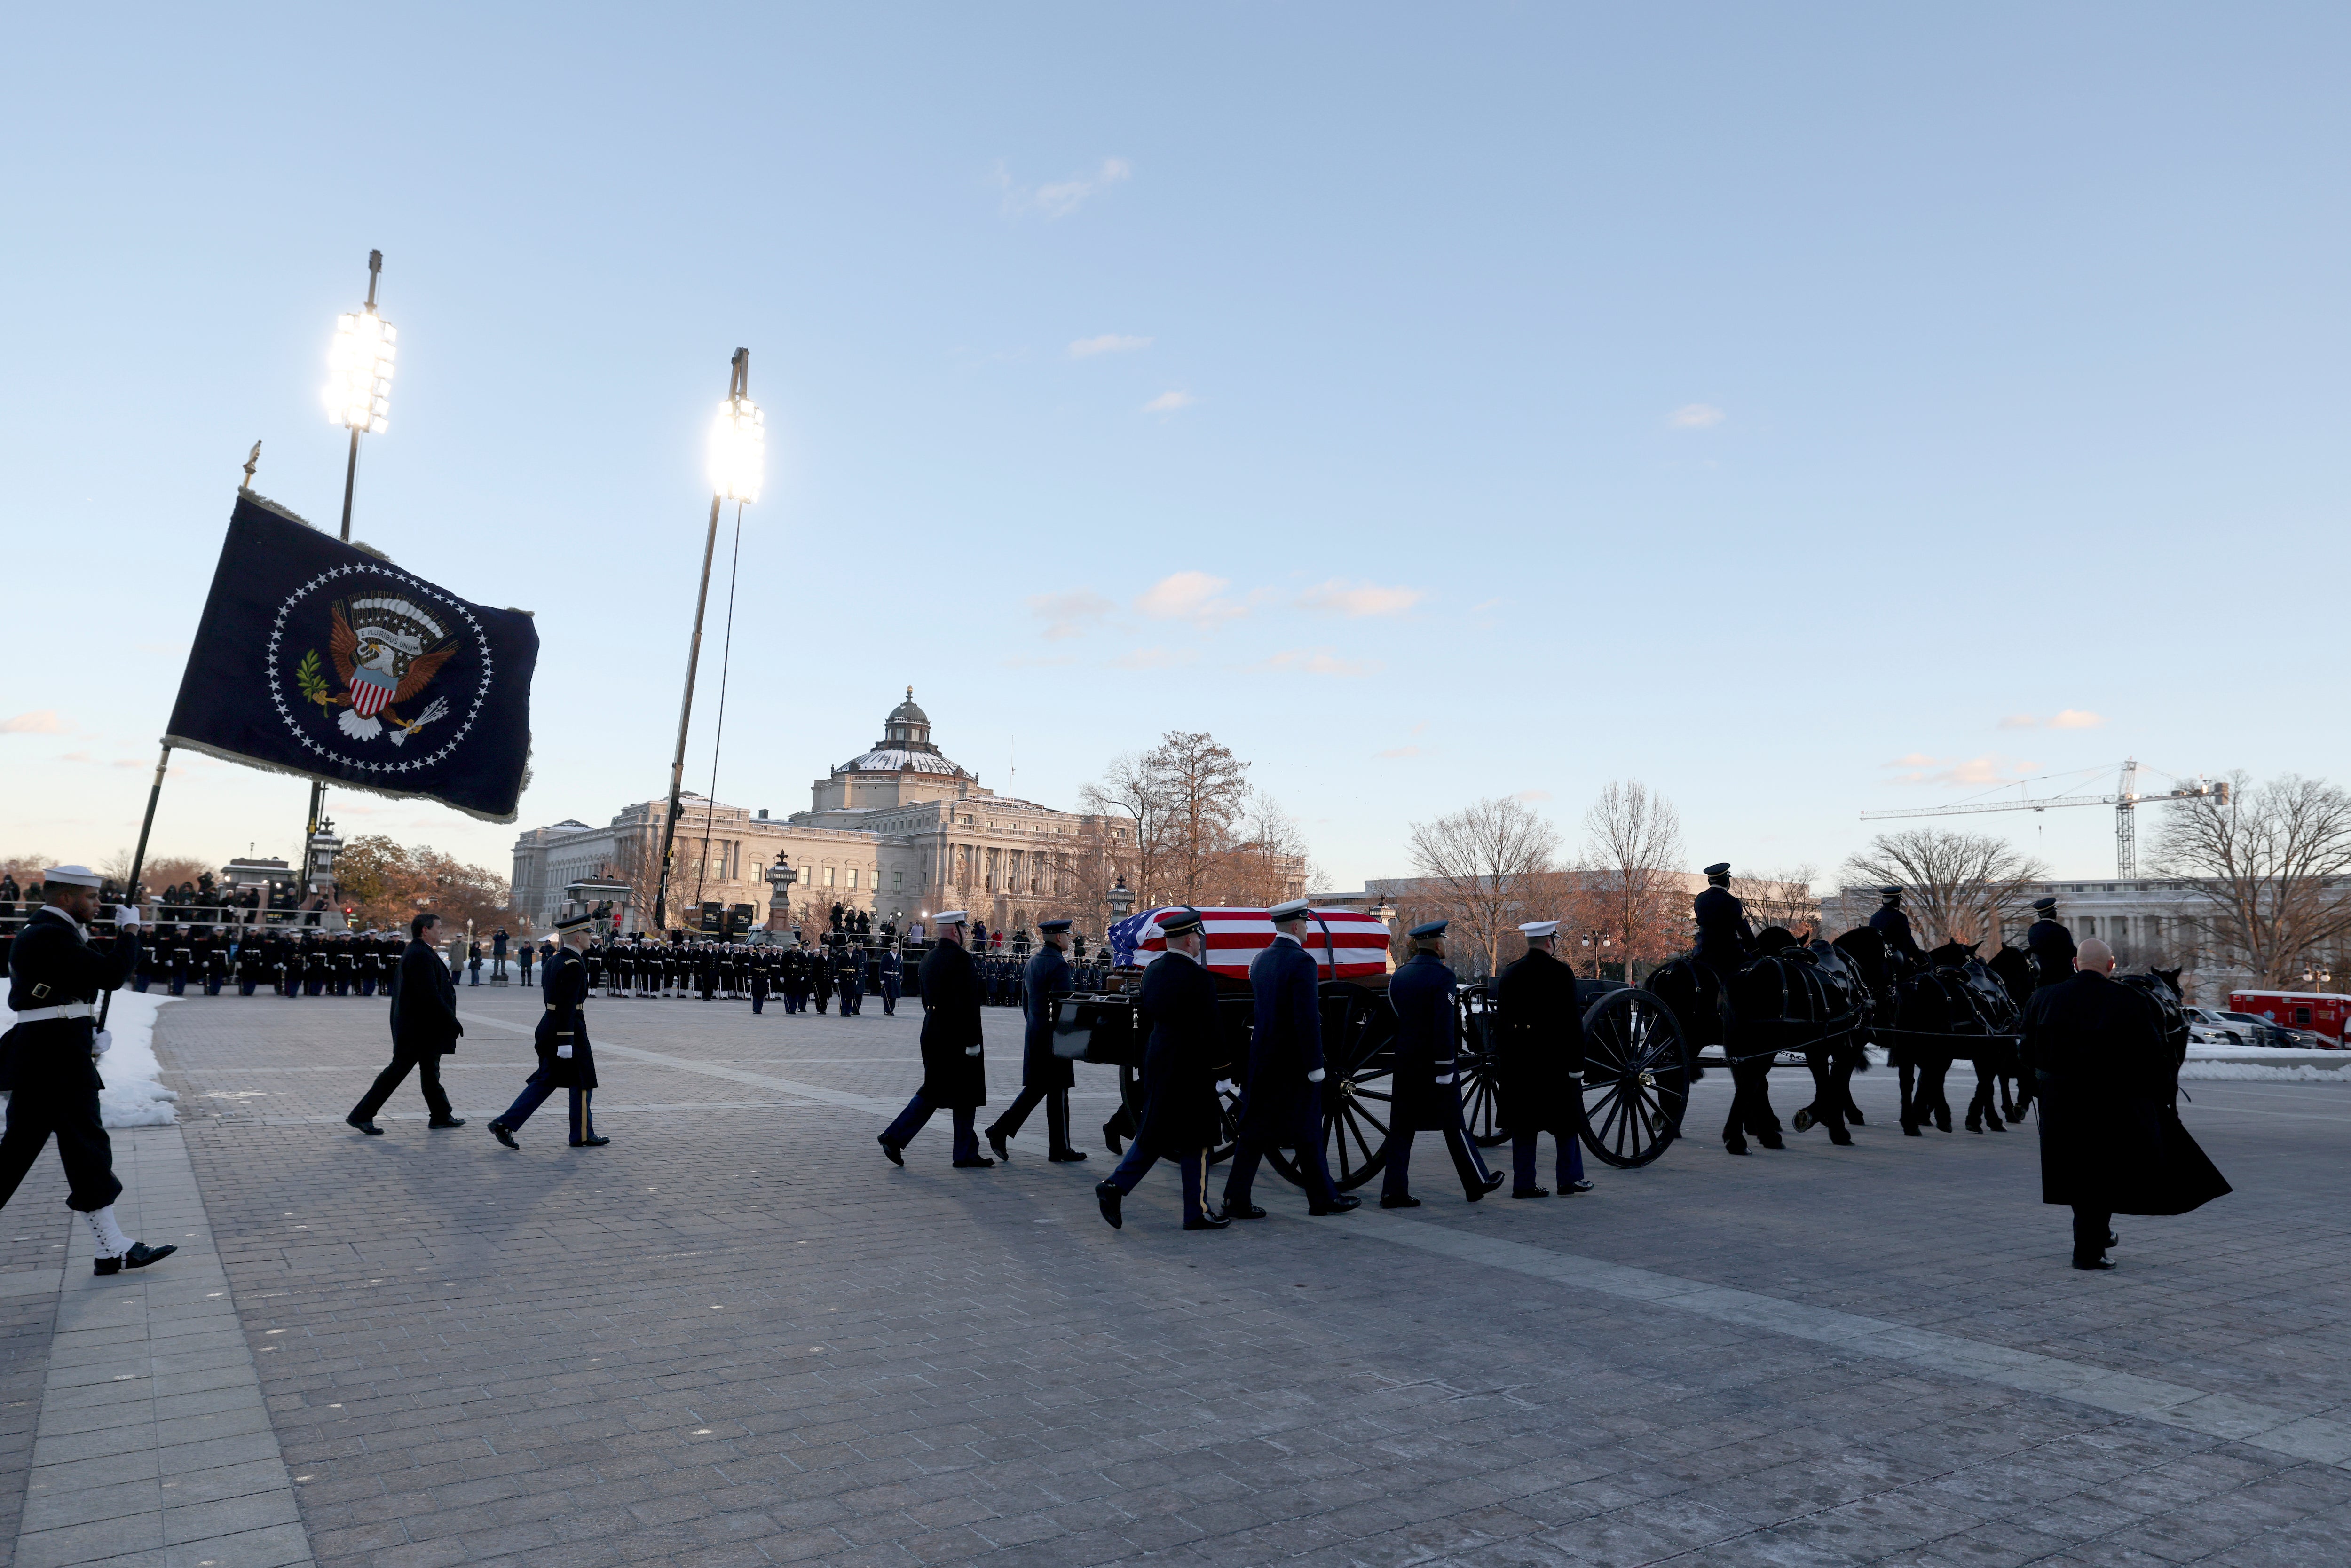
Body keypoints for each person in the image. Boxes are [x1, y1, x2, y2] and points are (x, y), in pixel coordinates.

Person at [0, 867, 176, 1275]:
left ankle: (112, 1248)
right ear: (66, 899)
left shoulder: (53, 931)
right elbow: (112, 974)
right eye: (92, 898)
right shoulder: (48, 933)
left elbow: (75, 984)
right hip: (53, 1059)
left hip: (53, 1052)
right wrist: (130, 932)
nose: (99, 905)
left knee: (62, 1150)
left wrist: (84, 1026)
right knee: (83, 1148)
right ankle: (113, 1248)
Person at [2025, 938, 2230, 1270]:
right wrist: (2159, 1100)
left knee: (2080, 1174)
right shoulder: (2131, 1000)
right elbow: (2154, 1056)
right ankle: (2088, 1252)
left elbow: (2025, 1052)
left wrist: (2044, 1088)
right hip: (2111, 1102)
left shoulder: (2042, 998)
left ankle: (2095, 1236)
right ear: (2111, 965)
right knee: (2100, 1174)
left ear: (2076, 964)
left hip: (2059, 1104)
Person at [1096, 910, 1229, 1230]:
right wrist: (1223, 1070)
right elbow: (1212, 1030)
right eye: (1197, 937)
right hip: (1191, 1066)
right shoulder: (1199, 978)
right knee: (1197, 1140)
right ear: (1188, 939)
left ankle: (1115, 1186)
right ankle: (1195, 1212)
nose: (1200, 942)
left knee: (1154, 1133)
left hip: (1160, 1059)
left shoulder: (1152, 971)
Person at [1223, 899, 1355, 1218]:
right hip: (1294, 1064)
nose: (1308, 928)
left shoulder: (1261, 960)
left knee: (1254, 1131)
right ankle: (1322, 1198)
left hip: (1263, 1058)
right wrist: (1315, 1066)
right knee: (1309, 1129)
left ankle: (1236, 1197)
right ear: (1296, 926)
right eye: (1306, 923)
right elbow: (1306, 1019)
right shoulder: (1302, 962)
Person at [1380, 921, 1504, 1208]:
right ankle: (1477, 1181)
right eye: (1444, 940)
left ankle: (1393, 1191)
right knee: (1454, 1124)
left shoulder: (1400, 976)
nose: (1446, 944)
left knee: (1401, 1129)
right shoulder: (1442, 976)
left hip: (1407, 1061)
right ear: (1437, 944)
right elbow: (1443, 1026)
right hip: (1435, 1065)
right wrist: (1447, 1067)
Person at [879, 911, 991, 1167]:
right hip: (958, 1036)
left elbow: (925, 1000)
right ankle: (895, 1136)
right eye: (964, 928)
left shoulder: (928, 957)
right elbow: (970, 1004)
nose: (967, 933)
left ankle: (964, 1152)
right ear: (955, 930)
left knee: (945, 1090)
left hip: (933, 1029)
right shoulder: (962, 960)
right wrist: (973, 1040)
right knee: (954, 1092)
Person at [489, 909, 608, 1149]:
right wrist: (567, 1041)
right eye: (587, 933)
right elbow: (566, 1004)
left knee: (548, 1079)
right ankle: (582, 1135)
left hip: (549, 1026)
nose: (590, 937)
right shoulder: (574, 964)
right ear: (577, 937)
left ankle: (505, 1123)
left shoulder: (556, 959)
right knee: (583, 1081)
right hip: (568, 1029)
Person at [1494, 920, 1593, 1198]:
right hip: (1555, 1062)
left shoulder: (1511, 973)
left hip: (1520, 1063)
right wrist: (1577, 1065)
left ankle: (1524, 1184)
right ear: (1550, 942)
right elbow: (1573, 1023)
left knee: (1524, 1125)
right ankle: (1568, 1180)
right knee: (1566, 1123)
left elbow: (1502, 1024)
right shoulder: (1561, 972)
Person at [346, 911, 468, 1135]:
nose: (441, 931)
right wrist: (451, 1020)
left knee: (431, 1072)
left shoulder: (420, 951)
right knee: (397, 1072)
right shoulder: (419, 954)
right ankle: (361, 1115)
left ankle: (441, 1115)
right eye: (438, 927)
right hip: (417, 1029)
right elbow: (429, 994)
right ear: (426, 930)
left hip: (423, 1028)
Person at [1694, 862, 1779, 1154]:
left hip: (1702, 953)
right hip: (1728, 955)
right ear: (1726, 880)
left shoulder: (1701, 899)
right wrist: (1756, 953)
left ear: (1711, 880)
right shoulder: (1731, 901)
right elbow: (1742, 930)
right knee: (1756, 976)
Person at [986, 918, 1087, 1162]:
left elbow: (1026, 1002)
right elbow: (1065, 1006)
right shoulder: (1060, 966)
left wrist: (1036, 1025)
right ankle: (1059, 1148)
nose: (1069, 939)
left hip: (1036, 1032)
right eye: (1067, 935)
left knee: (1039, 1088)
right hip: (1056, 1037)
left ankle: (1003, 1130)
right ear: (1059, 938)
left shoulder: (1033, 962)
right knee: (1059, 1091)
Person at [836, 943, 865, 1016]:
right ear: (847, 948)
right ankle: (843, 1011)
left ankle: (848, 1011)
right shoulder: (842, 956)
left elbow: (857, 968)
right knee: (843, 996)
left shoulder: (856, 957)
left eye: (853, 947)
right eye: (850, 947)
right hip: (844, 978)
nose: (852, 948)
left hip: (852, 978)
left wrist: (857, 978)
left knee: (851, 996)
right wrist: (836, 977)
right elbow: (837, 967)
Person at [877, 942, 902, 1017]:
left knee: (894, 995)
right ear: (891, 948)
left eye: (896, 948)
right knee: (887, 995)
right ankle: (887, 1010)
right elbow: (882, 968)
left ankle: (891, 1010)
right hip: (888, 977)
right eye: (894, 948)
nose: (895, 950)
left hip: (896, 978)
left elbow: (901, 969)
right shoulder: (886, 956)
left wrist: (901, 978)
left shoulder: (899, 957)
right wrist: (882, 979)